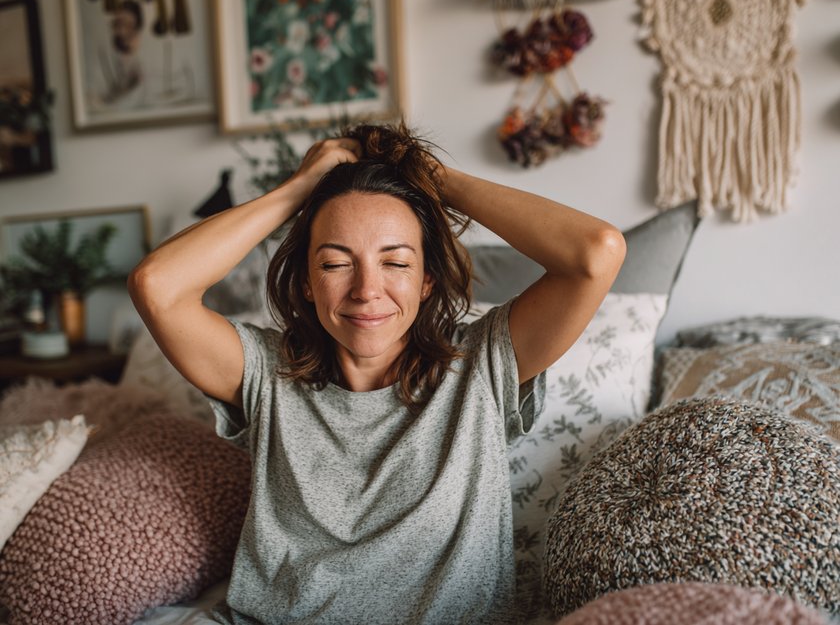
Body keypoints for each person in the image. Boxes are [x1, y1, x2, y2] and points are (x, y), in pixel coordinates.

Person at [128, 122, 626, 624]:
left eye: (396, 263)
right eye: (335, 263)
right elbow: (156, 285)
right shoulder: (265, 372)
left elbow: (596, 253)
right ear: (305, 281)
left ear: (428, 279)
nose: (367, 289)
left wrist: (430, 176)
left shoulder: (483, 365)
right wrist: (301, 187)